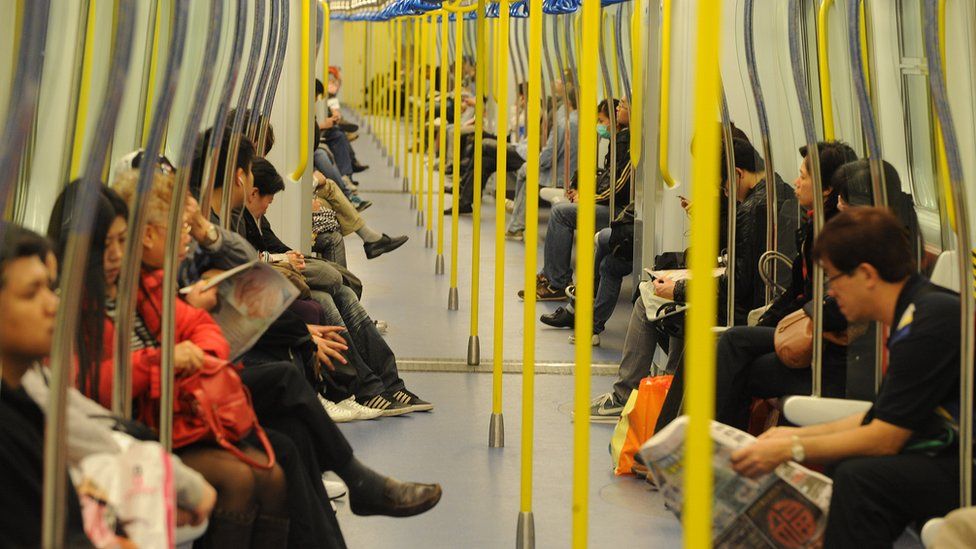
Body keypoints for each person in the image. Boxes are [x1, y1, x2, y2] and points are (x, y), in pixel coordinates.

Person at [731, 207, 967, 548]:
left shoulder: (928, 322)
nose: (832, 293)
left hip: (964, 462)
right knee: (849, 465)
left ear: (867, 275)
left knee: (861, 479)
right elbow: (879, 416)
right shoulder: (915, 313)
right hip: (948, 450)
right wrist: (784, 438)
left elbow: (885, 438)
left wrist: (794, 447)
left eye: (834, 278)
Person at [586, 135, 798, 420]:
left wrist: (679, 289)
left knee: (648, 298)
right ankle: (668, 389)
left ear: (736, 174)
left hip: (737, 309)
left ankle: (625, 394)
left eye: (723, 186)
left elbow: (736, 284)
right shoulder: (778, 192)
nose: (724, 193)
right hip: (750, 300)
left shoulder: (750, 210)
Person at [520, 97, 631, 301]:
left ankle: (558, 283)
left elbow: (618, 187)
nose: (617, 108)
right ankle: (550, 276)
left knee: (561, 213)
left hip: (621, 212)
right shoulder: (620, 138)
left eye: (622, 105)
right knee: (562, 208)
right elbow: (608, 177)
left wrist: (589, 198)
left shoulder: (631, 144)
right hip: (611, 203)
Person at [506, 76, 581, 240]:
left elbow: (548, 155)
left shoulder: (564, 124)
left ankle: (516, 224)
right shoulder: (583, 122)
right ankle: (517, 214)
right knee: (526, 171)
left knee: (525, 171)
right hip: (573, 173)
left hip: (561, 176)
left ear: (567, 103)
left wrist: (535, 161)